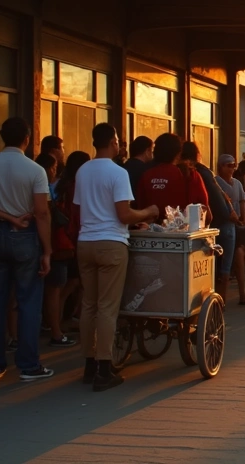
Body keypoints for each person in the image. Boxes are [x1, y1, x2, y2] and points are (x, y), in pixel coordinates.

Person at [74, 123, 160, 391]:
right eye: (118, 141)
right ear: (112, 142)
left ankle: (89, 363)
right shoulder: (117, 172)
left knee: (89, 305)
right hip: (111, 243)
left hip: (85, 242)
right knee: (108, 308)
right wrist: (147, 212)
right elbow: (124, 215)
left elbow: (81, 208)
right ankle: (104, 366)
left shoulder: (83, 170)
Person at [0, 117, 55, 382]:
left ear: (1, 136)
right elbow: (41, 212)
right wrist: (47, 250)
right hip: (26, 236)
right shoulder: (34, 170)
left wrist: (3, 216)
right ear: (27, 139)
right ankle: (28, 365)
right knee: (28, 301)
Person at [45, 151, 90, 348]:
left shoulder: (60, 184)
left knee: (69, 284)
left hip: (63, 240)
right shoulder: (76, 186)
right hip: (70, 240)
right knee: (64, 287)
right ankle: (57, 327)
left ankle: (62, 321)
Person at [182, 142, 232, 290]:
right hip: (208, 225)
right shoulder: (200, 173)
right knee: (221, 265)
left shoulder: (177, 172)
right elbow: (211, 204)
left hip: (182, 226)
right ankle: (219, 302)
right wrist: (227, 213)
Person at [137, 134, 209, 216]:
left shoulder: (146, 176)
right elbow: (205, 212)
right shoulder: (190, 175)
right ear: (178, 154)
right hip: (183, 226)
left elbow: (141, 207)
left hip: (150, 227)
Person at [216, 155, 245, 305]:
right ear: (221, 167)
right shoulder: (217, 182)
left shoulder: (237, 183)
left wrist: (244, 219)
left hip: (238, 224)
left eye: (234, 165)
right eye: (228, 165)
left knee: (240, 258)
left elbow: (242, 202)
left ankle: (242, 293)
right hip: (223, 224)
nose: (232, 168)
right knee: (223, 262)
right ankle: (221, 296)